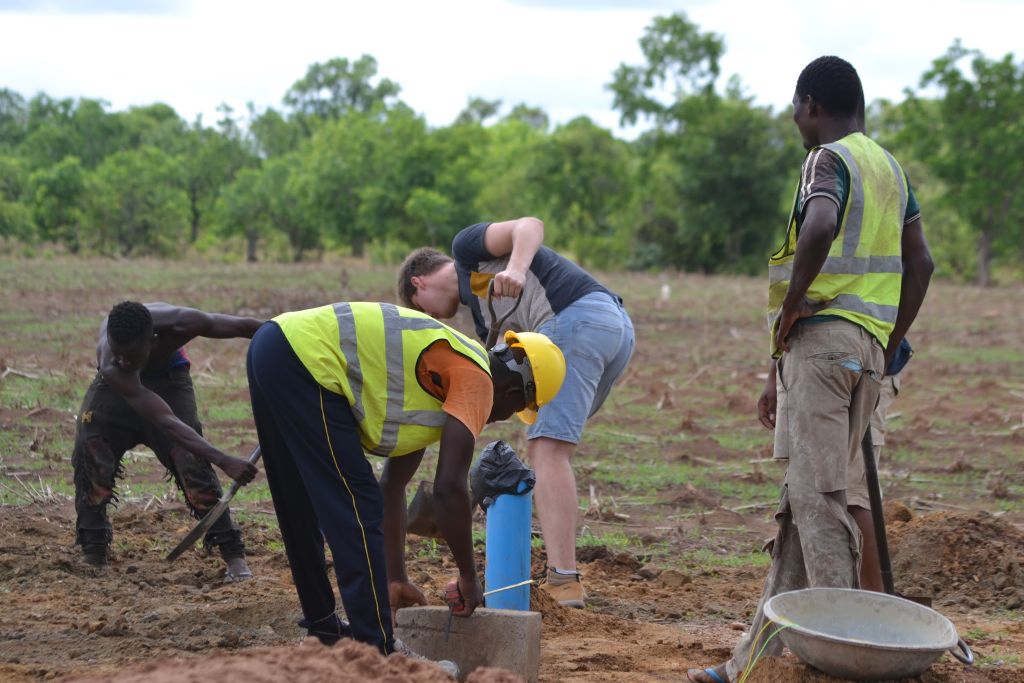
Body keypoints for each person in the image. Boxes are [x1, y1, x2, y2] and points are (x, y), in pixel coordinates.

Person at [688, 56, 933, 683]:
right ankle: (754, 663)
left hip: (823, 350)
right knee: (803, 503)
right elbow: (922, 264)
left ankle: (845, 656)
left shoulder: (829, 159)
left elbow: (820, 223)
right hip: (865, 357)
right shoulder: (891, 169)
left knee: (820, 501)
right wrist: (887, 338)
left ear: (811, 104)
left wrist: (794, 304)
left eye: (796, 109)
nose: (796, 119)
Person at [245, 301, 564, 654]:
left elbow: (392, 487)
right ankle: (378, 648)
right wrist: (469, 578)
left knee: (298, 502)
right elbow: (448, 490)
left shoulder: (441, 376)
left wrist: (396, 578)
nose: (501, 418)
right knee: (355, 505)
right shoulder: (478, 380)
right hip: (305, 359)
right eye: (514, 411)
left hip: (272, 345)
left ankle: (323, 628)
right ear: (514, 393)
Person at [397, 217, 635, 608]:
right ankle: (562, 575)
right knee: (547, 443)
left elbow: (530, 225)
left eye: (423, 310)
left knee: (548, 449)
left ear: (417, 284)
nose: (437, 319)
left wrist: (516, 269)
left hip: (574, 319)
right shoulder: (483, 320)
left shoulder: (465, 250)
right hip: (613, 329)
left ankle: (564, 581)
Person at [72, 301, 261, 581]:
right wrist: (223, 460)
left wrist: (289, 342)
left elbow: (246, 327)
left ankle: (232, 553)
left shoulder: (183, 324)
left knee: (191, 459)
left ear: (153, 341)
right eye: (119, 354)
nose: (123, 361)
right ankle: (93, 549)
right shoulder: (113, 365)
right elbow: (164, 421)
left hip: (170, 380)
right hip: (119, 390)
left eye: (131, 356)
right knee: (91, 446)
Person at [849, 337, 912, 591]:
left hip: (873, 367)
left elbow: (913, 296)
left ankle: (876, 603)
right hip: (819, 365)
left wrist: (882, 358)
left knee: (854, 492)